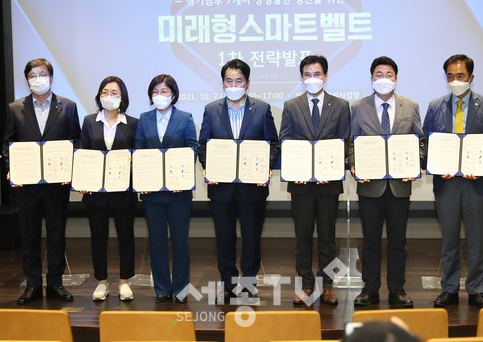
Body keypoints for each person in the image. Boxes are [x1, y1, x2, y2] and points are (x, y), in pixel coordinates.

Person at [423, 54, 483, 309]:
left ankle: (476, 289)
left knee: (476, 240)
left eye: (460, 76)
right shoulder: (435, 106)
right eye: (450, 76)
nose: (455, 81)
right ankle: (449, 288)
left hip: (475, 184)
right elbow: (426, 142)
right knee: (449, 241)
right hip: (446, 184)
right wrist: (436, 166)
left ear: (471, 77)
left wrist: (480, 166)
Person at [197, 59, 279, 303]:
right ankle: (228, 284)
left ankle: (249, 283)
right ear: (223, 83)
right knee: (224, 239)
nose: (234, 85)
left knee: (252, 238)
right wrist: (208, 167)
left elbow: (273, 144)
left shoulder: (262, 109)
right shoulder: (211, 110)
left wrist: (265, 167)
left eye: (238, 81)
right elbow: (203, 145)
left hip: (252, 188)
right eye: (229, 81)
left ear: (247, 83)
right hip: (221, 188)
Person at [2, 58, 81, 304]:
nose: (38, 79)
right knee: (29, 236)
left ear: (51, 77)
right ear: (27, 80)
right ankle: (33, 285)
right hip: (27, 185)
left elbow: (76, 142)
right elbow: (8, 143)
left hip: (57, 184)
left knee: (56, 235)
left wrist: (71, 169)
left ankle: (56, 283)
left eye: (42, 74)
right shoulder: (15, 108)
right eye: (32, 75)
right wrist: (11, 169)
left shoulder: (68, 106)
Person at [348, 56, 424, 307]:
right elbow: (351, 142)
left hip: (399, 185)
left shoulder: (410, 106)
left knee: (398, 241)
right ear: (371, 79)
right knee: (370, 241)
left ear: (396, 78)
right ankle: (370, 288)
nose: (384, 79)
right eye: (378, 75)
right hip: (370, 185)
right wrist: (354, 164)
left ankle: (397, 288)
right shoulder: (358, 107)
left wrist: (417, 163)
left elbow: (419, 141)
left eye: (388, 74)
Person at [279, 55, 351, 305]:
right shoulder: (291, 105)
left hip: (329, 184)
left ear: (326, 76)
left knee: (328, 237)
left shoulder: (341, 105)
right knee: (303, 235)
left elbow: (344, 142)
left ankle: (327, 285)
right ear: (302, 78)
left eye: (317, 74)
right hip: (301, 185)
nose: (312, 79)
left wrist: (330, 170)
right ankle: (306, 284)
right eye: (308, 75)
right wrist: (296, 171)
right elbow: (285, 141)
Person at [135, 74, 197, 303]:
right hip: (152, 193)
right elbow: (139, 150)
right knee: (156, 242)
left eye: (164, 91)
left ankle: (181, 289)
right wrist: (143, 179)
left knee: (180, 242)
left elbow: (192, 149)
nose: (159, 95)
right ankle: (161, 288)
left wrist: (181, 177)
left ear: (173, 94)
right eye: (155, 91)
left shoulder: (185, 118)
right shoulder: (144, 119)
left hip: (179, 193)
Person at [79, 76, 137, 301]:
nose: (109, 96)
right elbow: (83, 152)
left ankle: (124, 282)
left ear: (122, 97)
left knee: (126, 237)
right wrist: (83, 181)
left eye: (114, 93)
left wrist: (133, 161)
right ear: (99, 96)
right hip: (96, 193)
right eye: (104, 92)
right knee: (98, 237)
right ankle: (101, 282)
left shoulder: (133, 123)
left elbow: (138, 154)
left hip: (123, 192)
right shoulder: (89, 121)